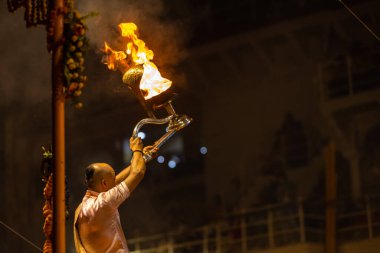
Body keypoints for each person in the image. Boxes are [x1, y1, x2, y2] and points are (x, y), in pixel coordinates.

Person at [74, 136, 157, 253]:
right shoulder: (104, 202)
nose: (116, 180)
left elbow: (115, 181)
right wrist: (137, 150)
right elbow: (138, 172)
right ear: (104, 183)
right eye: (113, 177)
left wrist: (141, 159)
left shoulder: (83, 207)